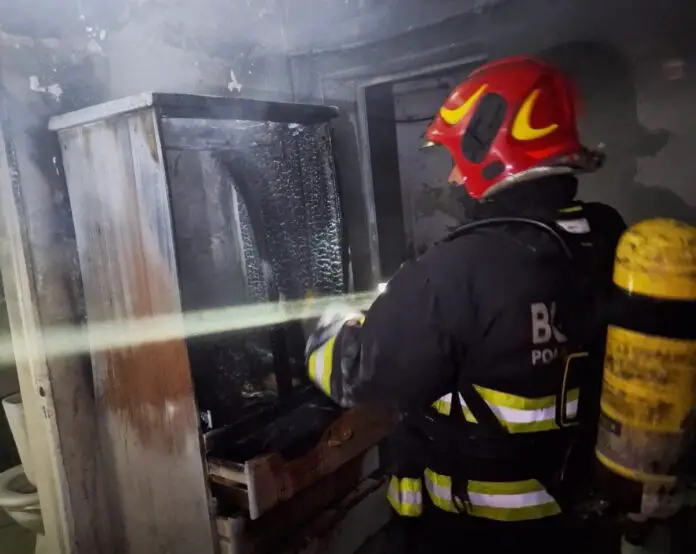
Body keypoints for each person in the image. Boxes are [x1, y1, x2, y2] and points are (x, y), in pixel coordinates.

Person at [305, 56, 626, 553]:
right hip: (581, 521)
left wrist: (325, 320)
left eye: (457, 158)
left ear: (489, 150)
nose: (454, 176)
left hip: (479, 533)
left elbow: (354, 374)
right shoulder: (605, 236)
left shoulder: (458, 268)